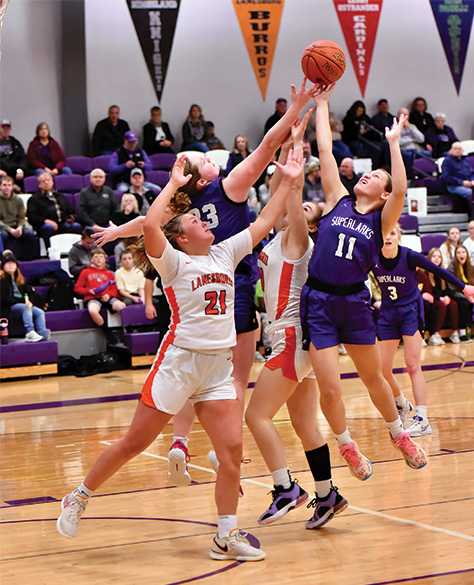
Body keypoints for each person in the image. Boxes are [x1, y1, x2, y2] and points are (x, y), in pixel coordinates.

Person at [56, 151, 303, 562]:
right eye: (195, 221)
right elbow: (152, 224)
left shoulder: (224, 253)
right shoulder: (172, 261)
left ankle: (226, 536)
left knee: (231, 453)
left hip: (217, 369)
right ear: (183, 236)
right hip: (179, 363)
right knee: (136, 442)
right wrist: (172, 184)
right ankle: (78, 496)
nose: (205, 222)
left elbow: (262, 223)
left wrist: (289, 181)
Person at [89, 79, 318, 484]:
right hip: (233, 284)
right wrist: (293, 113)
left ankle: (180, 440)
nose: (213, 160)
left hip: (191, 291)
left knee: (193, 371)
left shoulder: (180, 211)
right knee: (233, 376)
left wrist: (116, 233)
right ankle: (225, 447)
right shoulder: (227, 189)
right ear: (201, 179)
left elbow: (148, 222)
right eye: (205, 160)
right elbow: (266, 151)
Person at [300, 84, 426, 481]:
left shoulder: (381, 220)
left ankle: (398, 434)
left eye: (376, 176)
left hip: (354, 303)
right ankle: (347, 447)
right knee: (331, 390)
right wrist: (322, 105)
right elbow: (324, 151)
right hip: (318, 301)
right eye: (368, 171)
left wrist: (393, 143)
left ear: (383, 194)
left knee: (374, 378)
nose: (367, 174)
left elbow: (402, 188)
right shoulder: (337, 198)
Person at [245, 113, 348, 530]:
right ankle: (327, 496)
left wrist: (298, 144)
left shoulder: (298, 239)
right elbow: (278, 190)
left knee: (255, 417)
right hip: (296, 341)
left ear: (311, 221)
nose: (295, 204)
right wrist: (289, 141)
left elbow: (290, 188)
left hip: (289, 338)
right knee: (305, 424)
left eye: (305, 207)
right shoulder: (277, 236)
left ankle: (286, 487)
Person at [374, 226, 474, 438]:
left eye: (392, 233)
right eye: (384, 234)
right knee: (383, 369)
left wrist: (463, 287)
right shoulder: (373, 257)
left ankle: (422, 419)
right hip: (387, 314)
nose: (388, 237)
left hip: (410, 312)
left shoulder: (409, 256)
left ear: (399, 236)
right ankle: (401, 404)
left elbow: (439, 270)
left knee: (413, 365)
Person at [74, 248, 126, 345]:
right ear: (92, 259)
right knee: (93, 310)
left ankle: (125, 331)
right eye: (96, 257)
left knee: (122, 306)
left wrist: (108, 295)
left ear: (104, 259)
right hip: (93, 298)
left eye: (101, 257)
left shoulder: (109, 273)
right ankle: (108, 334)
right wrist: (89, 291)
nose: (98, 259)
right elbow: (77, 288)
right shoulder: (85, 272)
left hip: (107, 297)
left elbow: (114, 289)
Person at [0, 251, 50, 342]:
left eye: (12, 263)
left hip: (23, 305)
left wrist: (30, 302)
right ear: (3, 267)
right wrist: (23, 301)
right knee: (25, 307)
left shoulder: (21, 281)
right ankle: (30, 331)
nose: (10, 266)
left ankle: (42, 332)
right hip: (9, 308)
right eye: (7, 264)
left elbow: (31, 295)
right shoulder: (1, 281)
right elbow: (4, 299)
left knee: (39, 312)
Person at [27, 171, 82, 249]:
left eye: (48, 180)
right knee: (48, 228)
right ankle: (50, 251)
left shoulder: (60, 196)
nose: (46, 183)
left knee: (76, 226)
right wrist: (46, 221)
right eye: (43, 181)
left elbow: (70, 210)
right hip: (45, 225)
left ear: (52, 182)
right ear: (39, 184)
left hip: (62, 223)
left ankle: (76, 250)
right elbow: (32, 217)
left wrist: (70, 216)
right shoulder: (34, 199)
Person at [425, 247, 461, 345]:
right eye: (434, 256)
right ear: (429, 258)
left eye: (439, 257)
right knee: (440, 305)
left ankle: (454, 332)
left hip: (441, 298)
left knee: (453, 304)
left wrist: (447, 297)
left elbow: (447, 290)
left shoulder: (442, 273)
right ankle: (435, 334)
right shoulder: (426, 273)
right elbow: (429, 291)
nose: (437, 259)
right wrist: (440, 298)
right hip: (433, 299)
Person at [0, 175, 39, 260]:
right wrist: (9, 229)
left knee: (30, 234)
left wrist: (20, 227)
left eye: (9, 185)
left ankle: (30, 260)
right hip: (3, 228)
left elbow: (22, 217)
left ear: (12, 186)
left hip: (16, 226)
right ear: (0, 186)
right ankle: (4, 260)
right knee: (3, 236)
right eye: (4, 185)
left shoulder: (18, 199)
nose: (7, 187)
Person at [341, 100, 381, 168]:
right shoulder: (348, 119)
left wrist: (368, 130)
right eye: (358, 111)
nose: (360, 113)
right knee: (360, 148)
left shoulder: (365, 118)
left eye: (361, 111)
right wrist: (358, 132)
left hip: (366, 139)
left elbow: (371, 127)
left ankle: (375, 166)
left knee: (377, 147)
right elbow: (347, 133)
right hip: (353, 140)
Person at [0, 120, 27, 185]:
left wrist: (20, 169)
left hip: (14, 170)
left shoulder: (15, 143)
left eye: (8, 128)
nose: (5, 130)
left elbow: (23, 158)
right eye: (3, 128)